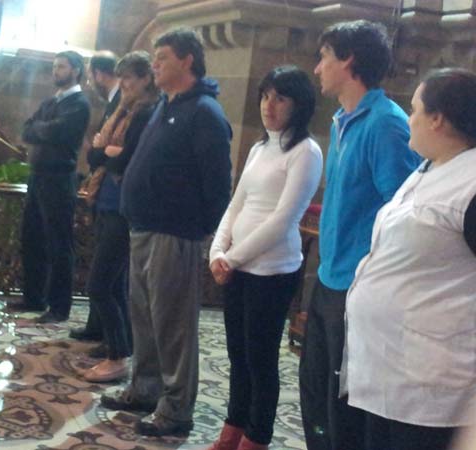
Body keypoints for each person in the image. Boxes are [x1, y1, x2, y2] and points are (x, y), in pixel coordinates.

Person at [100, 27, 232, 437]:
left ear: (187, 61)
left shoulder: (205, 112)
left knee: (173, 326)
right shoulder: (165, 106)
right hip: (143, 227)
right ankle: (145, 389)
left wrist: (201, 231)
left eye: (162, 58)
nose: (154, 65)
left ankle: (176, 410)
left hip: (175, 233)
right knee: (144, 318)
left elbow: (217, 184)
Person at [298, 20, 421, 450]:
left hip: (359, 287)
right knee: (315, 394)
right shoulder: (342, 120)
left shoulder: (386, 124)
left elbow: (403, 214)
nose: (318, 68)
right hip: (329, 278)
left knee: (344, 409)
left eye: (324, 57)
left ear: (348, 60)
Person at [344, 67, 476, 450]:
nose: (409, 119)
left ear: (438, 119)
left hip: (431, 381)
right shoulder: (429, 167)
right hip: (388, 370)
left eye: (415, 109)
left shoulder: (470, 184)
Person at [208, 66, 323, 450]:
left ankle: (257, 438)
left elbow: (283, 219)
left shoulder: (305, 152)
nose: (268, 106)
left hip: (272, 271)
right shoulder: (260, 148)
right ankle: (232, 429)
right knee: (237, 355)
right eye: (265, 96)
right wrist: (217, 250)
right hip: (239, 267)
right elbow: (236, 204)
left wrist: (231, 258)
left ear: (299, 104)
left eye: (280, 98)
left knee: (260, 360)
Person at [79, 51, 159, 383]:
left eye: (128, 77)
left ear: (146, 79)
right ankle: (120, 347)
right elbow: (94, 154)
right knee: (111, 284)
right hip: (106, 199)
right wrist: (107, 152)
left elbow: (128, 160)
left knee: (100, 285)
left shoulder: (147, 113)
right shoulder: (123, 110)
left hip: (124, 208)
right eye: (121, 76)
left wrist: (108, 153)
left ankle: (118, 356)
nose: (122, 83)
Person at [11, 50, 90, 323]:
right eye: (55, 67)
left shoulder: (79, 104)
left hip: (59, 178)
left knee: (58, 243)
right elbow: (27, 129)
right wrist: (43, 129)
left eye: (62, 67)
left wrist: (41, 129)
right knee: (32, 237)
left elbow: (59, 131)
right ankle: (34, 297)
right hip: (38, 176)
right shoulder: (50, 101)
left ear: (76, 70)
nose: (56, 71)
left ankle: (59, 307)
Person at [70, 50, 121, 345]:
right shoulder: (115, 102)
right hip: (105, 195)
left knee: (107, 279)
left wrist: (98, 152)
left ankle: (114, 341)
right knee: (102, 273)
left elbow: (104, 152)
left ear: (98, 74)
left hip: (115, 198)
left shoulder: (123, 103)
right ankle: (96, 326)